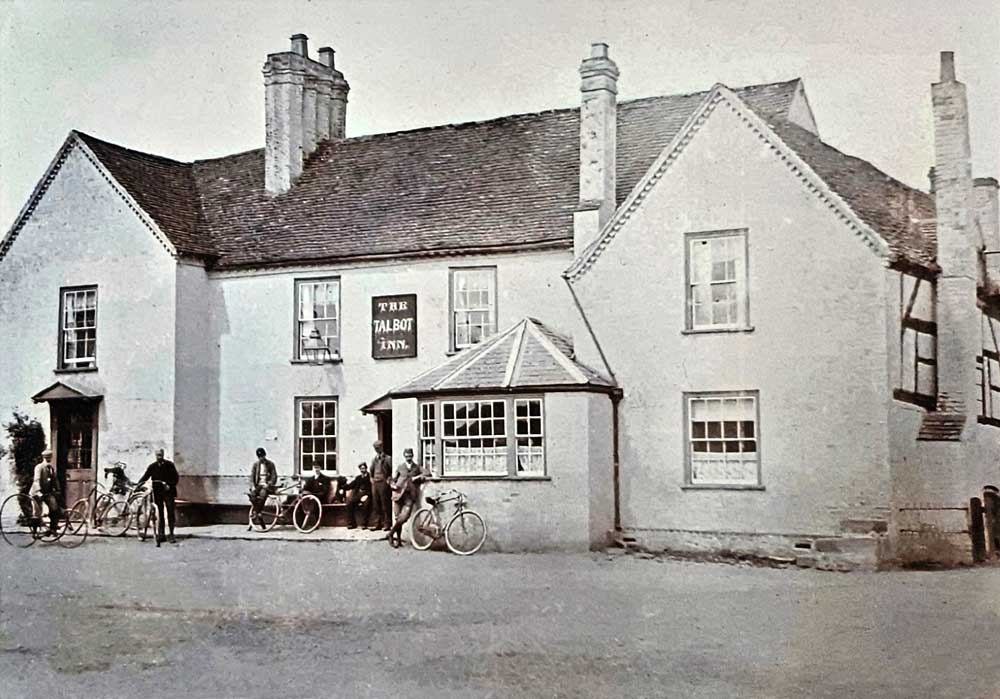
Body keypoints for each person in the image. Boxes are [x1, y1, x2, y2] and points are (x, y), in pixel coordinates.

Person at [388, 448, 430, 548]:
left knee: (404, 517)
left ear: (412, 456)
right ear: (404, 456)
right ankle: (398, 540)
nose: (408, 457)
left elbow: (427, 473)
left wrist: (418, 477)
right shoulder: (400, 467)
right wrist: (392, 484)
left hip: (409, 496)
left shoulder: (416, 467)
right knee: (398, 517)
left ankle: (390, 534)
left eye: (410, 456)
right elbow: (393, 479)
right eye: (407, 456)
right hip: (398, 495)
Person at [137, 448, 179, 547]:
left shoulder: (169, 465)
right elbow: (145, 477)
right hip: (157, 493)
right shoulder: (152, 466)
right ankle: (161, 534)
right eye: (157, 455)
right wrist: (138, 485)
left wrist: (169, 484)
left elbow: (176, 477)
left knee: (170, 512)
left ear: (163, 454)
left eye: (160, 455)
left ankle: (171, 534)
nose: (159, 457)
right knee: (159, 513)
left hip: (168, 492)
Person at [29, 448, 61, 533]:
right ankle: (35, 531)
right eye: (47, 458)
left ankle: (53, 528)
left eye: (49, 457)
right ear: (43, 458)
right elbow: (36, 480)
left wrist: (58, 490)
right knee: (37, 512)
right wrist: (38, 491)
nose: (48, 459)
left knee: (54, 507)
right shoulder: (39, 467)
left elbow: (55, 480)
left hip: (47, 493)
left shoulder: (51, 468)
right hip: (36, 493)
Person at [248, 447, 277, 526]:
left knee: (263, 494)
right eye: (260, 457)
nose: (261, 458)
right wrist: (252, 486)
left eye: (263, 456)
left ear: (265, 455)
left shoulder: (270, 464)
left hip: (267, 486)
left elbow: (274, 476)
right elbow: (252, 477)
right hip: (259, 485)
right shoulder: (255, 465)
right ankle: (258, 512)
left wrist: (269, 483)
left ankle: (256, 512)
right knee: (252, 495)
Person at [369, 440, 393, 531]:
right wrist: (372, 480)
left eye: (378, 447)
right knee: (376, 504)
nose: (376, 449)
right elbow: (371, 471)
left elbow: (391, 471)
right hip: (375, 483)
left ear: (381, 447)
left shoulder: (387, 458)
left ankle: (387, 523)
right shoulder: (374, 459)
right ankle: (377, 523)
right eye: (375, 448)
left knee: (385, 504)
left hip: (383, 483)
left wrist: (388, 479)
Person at [342, 463, 372, 529]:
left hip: (367, 495)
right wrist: (342, 488)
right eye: (361, 469)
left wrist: (367, 495)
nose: (362, 470)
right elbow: (351, 485)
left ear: (366, 468)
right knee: (349, 504)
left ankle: (364, 524)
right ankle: (351, 524)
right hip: (358, 495)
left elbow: (372, 488)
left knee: (366, 505)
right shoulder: (358, 478)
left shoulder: (370, 477)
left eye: (363, 468)